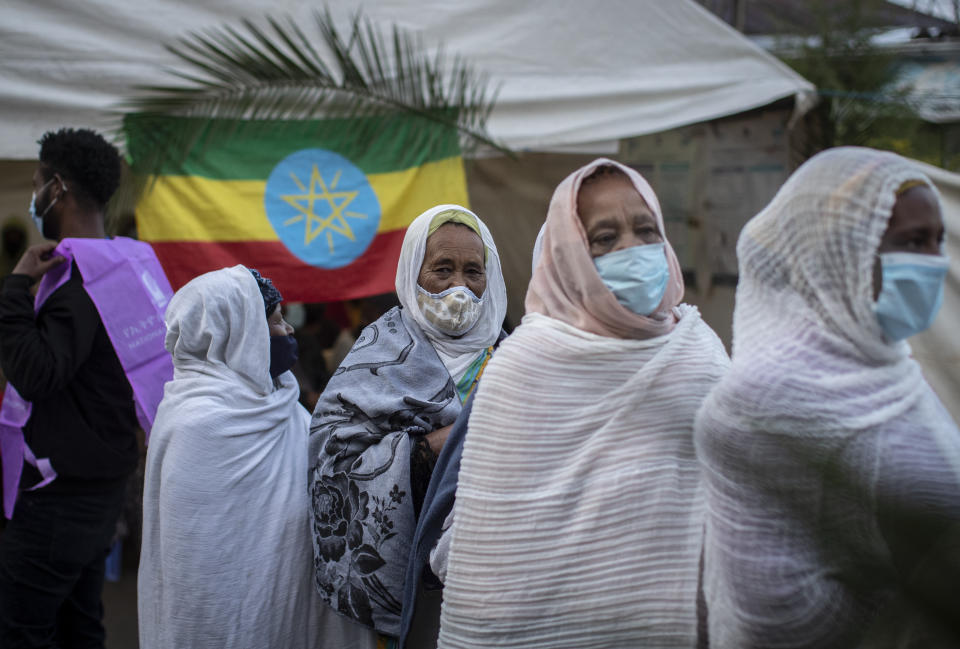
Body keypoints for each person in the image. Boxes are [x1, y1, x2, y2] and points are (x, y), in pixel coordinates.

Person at [436, 159, 730, 648]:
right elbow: (490, 541)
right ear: (569, 254)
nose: (633, 250)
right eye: (605, 239)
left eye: (646, 230)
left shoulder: (698, 351)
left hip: (687, 625)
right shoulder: (523, 367)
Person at [696, 147, 960, 648]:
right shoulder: (763, 403)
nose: (932, 263)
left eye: (937, 241)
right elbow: (771, 612)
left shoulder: (890, 368)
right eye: (912, 242)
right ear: (845, 251)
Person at [138, 266, 377, 649]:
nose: (290, 331)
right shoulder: (194, 424)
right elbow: (198, 563)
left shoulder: (280, 398)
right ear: (241, 331)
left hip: (292, 604)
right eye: (278, 320)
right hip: (225, 622)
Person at [309, 204, 507, 643]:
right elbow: (332, 463)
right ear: (412, 272)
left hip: (493, 575)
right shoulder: (376, 354)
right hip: (408, 578)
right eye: (442, 269)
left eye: (474, 271)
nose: (460, 287)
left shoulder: (514, 360)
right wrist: (437, 446)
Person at [0, 128, 141, 648]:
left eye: (37, 183)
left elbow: (36, 373)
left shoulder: (77, 281)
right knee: (80, 625)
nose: (33, 195)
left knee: (23, 631)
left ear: (56, 188)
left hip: (59, 501)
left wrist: (15, 289)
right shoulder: (122, 265)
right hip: (100, 489)